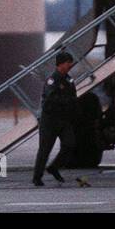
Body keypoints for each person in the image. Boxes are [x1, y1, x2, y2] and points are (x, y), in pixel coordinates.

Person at [33, 51, 79, 186]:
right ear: (61, 64)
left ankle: (54, 167)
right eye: (68, 62)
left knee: (70, 144)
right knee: (45, 149)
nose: (70, 65)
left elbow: (73, 97)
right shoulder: (52, 80)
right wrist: (66, 101)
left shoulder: (69, 80)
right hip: (50, 120)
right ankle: (37, 177)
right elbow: (50, 99)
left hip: (63, 120)